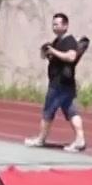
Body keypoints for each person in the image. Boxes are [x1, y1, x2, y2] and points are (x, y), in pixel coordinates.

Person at [24, 13, 87, 151]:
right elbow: (49, 57)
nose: (54, 27)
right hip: (64, 83)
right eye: (53, 24)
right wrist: (46, 51)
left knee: (48, 111)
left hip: (60, 83)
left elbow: (71, 57)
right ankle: (80, 140)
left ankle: (41, 139)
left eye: (57, 24)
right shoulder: (56, 42)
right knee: (71, 112)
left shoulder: (69, 41)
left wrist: (54, 51)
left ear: (65, 25)